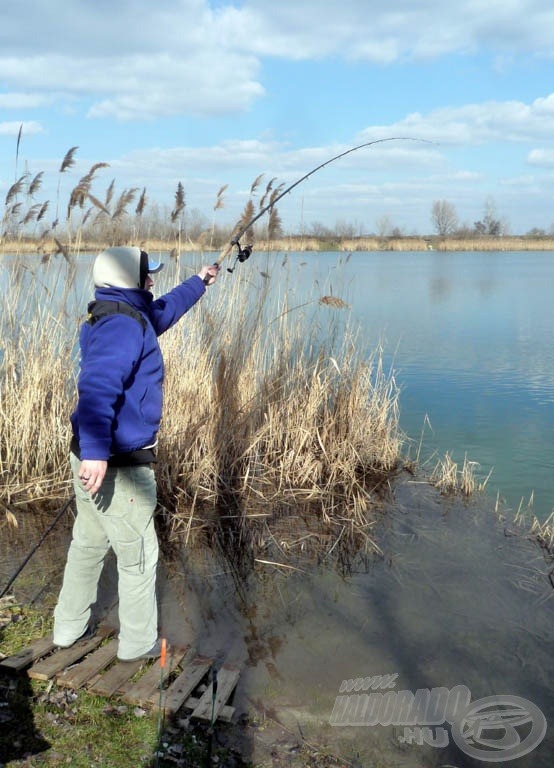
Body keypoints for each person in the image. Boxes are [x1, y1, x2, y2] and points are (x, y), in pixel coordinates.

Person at [53, 246, 219, 661]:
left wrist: (200, 282)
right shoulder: (122, 327)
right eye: (147, 276)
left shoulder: (119, 315)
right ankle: (138, 647)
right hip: (117, 464)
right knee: (139, 556)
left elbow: (162, 310)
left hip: (94, 456)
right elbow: (96, 388)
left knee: (88, 542)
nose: (152, 281)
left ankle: (67, 630)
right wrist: (96, 452)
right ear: (129, 281)